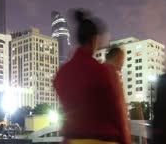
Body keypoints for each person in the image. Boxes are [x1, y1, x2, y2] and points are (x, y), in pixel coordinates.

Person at [54, 9, 131, 144]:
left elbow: (68, 116)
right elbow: (117, 113)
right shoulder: (102, 71)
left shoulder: (61, 74)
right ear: (94, 39)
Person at [104, 46, 131, 143]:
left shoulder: (97, 71)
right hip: (110, 136)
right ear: (117, 58)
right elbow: (120, 110)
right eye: (122, 60)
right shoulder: (112, 75)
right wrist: (126, 140)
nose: (122, 64)